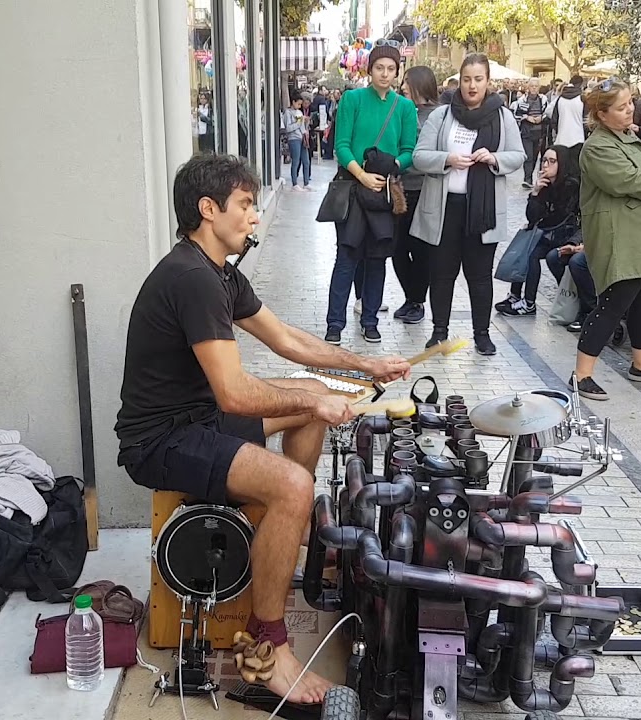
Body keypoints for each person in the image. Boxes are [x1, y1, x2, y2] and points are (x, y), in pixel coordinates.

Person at [115, 153, 411, 703]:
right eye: (245, 204)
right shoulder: (192, 279)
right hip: (160, 440)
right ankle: (265, 648)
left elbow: (287, 340)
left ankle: (281, 532)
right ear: (209, 209)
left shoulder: (219, 272)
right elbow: (234, 392)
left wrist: (363, 366)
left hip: (198, 418)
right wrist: (315, 401)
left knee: (313, 400)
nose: (254, 215)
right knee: (295, 481)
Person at [571, 79, 641, 401]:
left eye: (630, 103)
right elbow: (630, 180)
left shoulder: (629, 136)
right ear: (601, 114)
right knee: (614, 302)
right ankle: (581, 374)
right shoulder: (598, 147)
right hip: (620, 235)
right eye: (621, 107)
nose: (629, 110)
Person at [411, 53, 526, 356]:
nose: (472, 86)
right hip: (445, 207)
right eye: (466, 79)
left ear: (488, 82)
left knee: (479, 276)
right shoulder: (442, 115)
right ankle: (439, 332)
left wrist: (494, 158)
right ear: (458, 81)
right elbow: (419, 156)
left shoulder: (503, 117)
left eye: (478, 79)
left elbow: (518, 155)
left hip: (482, 210)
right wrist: (447, 159)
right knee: (441, 274)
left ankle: (482, 335)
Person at [324, 44, 418, 346]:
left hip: (384, 192)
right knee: (347, 257)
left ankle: (370, 321)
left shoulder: (404, 107)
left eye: (391, 69)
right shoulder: (352, 99)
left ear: (397, 72)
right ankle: (335, 323)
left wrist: (392, 166)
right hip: (353, 188)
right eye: (380, 68)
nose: (385, 74)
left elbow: (409, 150)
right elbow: (341, 145)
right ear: (370, 69)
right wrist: (361, 174)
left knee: (378, 259)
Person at [495, 145, 582, 318]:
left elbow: (561, 217)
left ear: (562, 163)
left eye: (552, 161)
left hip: (565, 235)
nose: (546, 165)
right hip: (550, 234)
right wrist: (535, 193)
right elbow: (532, 217)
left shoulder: (571, 186)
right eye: (544, 161)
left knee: (531, 253)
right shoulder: (545, 185)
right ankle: (515, 295)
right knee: (526, 248)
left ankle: (528, 303)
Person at [391, 65, 440, 326]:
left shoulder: (440, 115)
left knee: (421, 250)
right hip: (401, 188)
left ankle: (417, 301)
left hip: (426, 189)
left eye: (407, 82)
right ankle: (411, 297)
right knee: (397, 248)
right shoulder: (401, 109)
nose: (403, 87)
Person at [513, 78, 549, 188]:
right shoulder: (522, 100)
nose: (534, 88)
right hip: (527, 132)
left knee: (535, 156)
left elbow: (548, 113)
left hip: (539, 132)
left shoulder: (543, 99)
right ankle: (527, 179)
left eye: (536, 86)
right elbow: (516, 114)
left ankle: (531, 177)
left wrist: (541, 117)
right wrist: (527, 117)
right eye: (532, 86)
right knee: (528, 156)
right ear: (528, 87)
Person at [548, 75, 586, 149]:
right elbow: (586, 120)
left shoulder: (560, 98)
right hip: (579, 139)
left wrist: (558, 131)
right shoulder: (582, 99)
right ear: (581, 85)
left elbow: (554, 119)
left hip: (561, 139)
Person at [283, 95, 312, 190]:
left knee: (306, 161)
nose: (299, 106)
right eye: (298, 104)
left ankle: (306, 183)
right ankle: (294, 183)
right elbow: (288, 128)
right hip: (293, 138)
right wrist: (298, 123)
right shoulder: (287, 113)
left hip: (301, 137)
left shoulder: (299, 112)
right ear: (293, 102)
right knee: (296, 161)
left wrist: (305, 125)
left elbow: (302, 127)